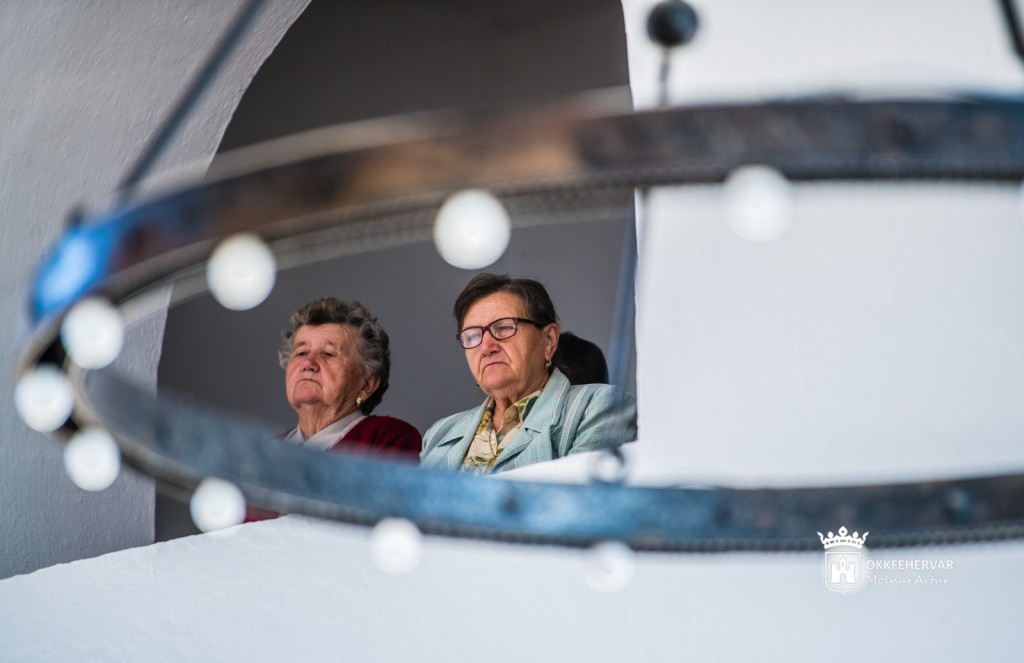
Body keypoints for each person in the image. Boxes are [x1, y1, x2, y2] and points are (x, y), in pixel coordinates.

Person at [420, 273, 636, 473]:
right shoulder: (439, 433)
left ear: (549, 340)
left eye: (504, 327)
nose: (486, 347)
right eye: (473, 336)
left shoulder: (599, 406)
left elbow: (577, 498)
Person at [280, 297, 421, 459]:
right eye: (301, 353)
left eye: (328, 354)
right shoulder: (267, 448)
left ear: (367, 384)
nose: (307, 363)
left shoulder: (389, 438)